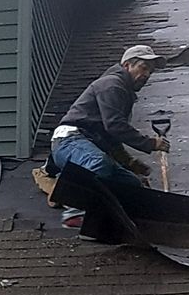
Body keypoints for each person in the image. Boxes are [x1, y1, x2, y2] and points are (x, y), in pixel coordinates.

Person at [49, 44, 170, 225]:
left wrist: (130, 163)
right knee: (99, 163)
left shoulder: (124, 92)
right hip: (69, 140)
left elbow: (111, 138)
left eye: (150, 72)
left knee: (132, 184)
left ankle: (121, 216)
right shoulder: (112, 85)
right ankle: (74, 212)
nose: (146, 75)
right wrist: (149, 143)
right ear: (127, 65)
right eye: (143, 68)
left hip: (86, 146)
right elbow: (114, 126)